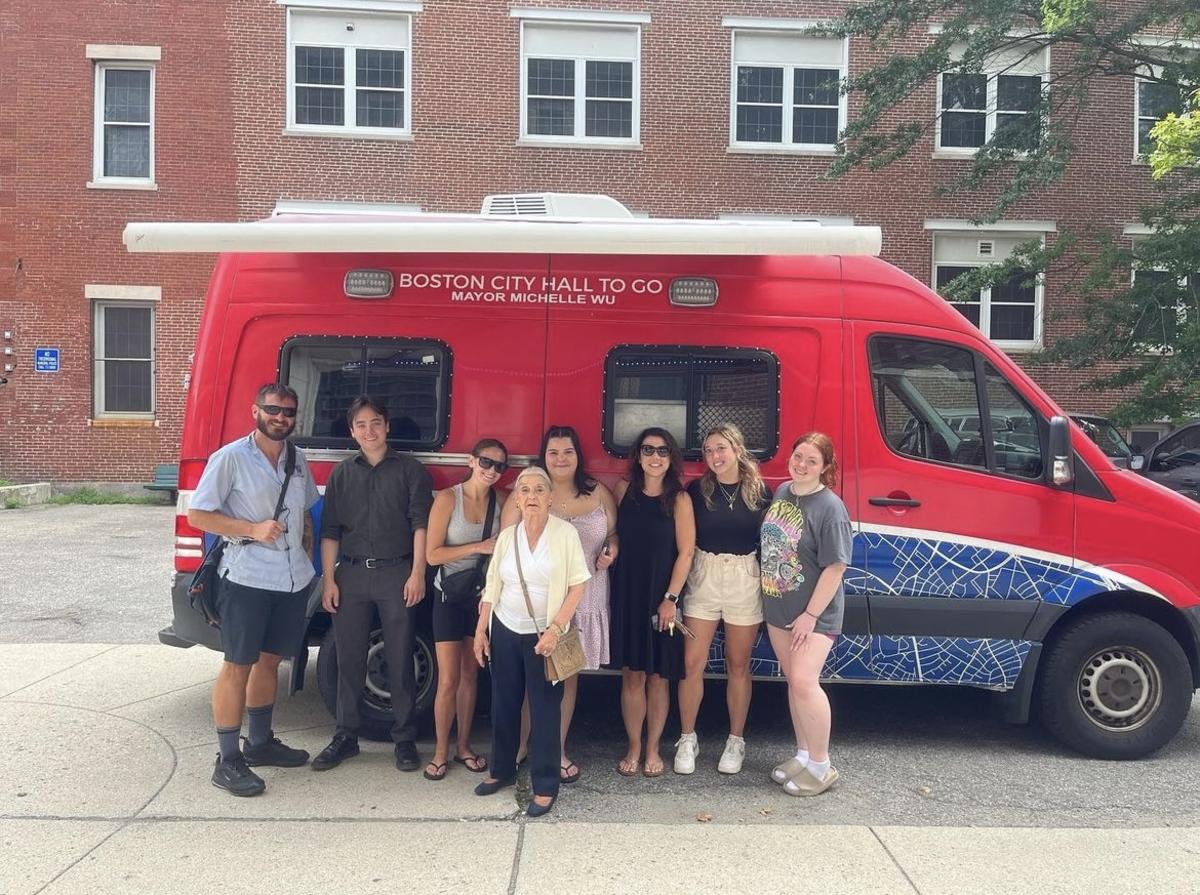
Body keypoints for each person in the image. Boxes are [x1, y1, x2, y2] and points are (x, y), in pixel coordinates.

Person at [188, 382, 320, 797]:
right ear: (256, 410)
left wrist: (308, 560)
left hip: (292, 579)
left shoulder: (298, 461)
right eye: (274, 409)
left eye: (289, 412)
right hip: (246, 578)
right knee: (237, 665)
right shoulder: (230, 458)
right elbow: (198, 515)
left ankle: (260, 743)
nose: (281, 417)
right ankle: (227, 761)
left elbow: (306, 514)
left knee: (269, 662)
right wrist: (251, 529)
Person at [311, 396, 433, 773]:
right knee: (349, 659)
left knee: (399, 657)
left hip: (397, 573)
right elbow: (330, 532)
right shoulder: (341, 474)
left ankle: (404, 738)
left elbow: (420, 525)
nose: (370, 431)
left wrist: (417, 573)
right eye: (361, 425)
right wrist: (329, 579)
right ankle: (345, 736)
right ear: (352, 432)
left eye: (376, 423)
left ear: (387, 426)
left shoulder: (410, 470)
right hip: (350, 574)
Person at [501, 425, 617, 784]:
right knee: (528, 678)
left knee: (564, 676)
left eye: (567, 451)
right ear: (543, 456)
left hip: (585, 597)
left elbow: (613, 533)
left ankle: (556, 749)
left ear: (578, 455)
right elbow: (506, 544)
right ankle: (520, 746)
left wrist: (612, 550)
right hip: (538, 601)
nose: (561, 459)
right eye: (553, 452)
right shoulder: (526, 494)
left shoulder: (598, 492)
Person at [473, 465, 591, 818]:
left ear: (550, 497)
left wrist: (556, 629)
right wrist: (482, 629)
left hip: (545, 635)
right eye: (525, 491)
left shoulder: (565, 534)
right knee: (503, 703)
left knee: (544, 709)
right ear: (518, 499)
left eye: (540, 490)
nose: (532, 497)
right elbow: (493, 585)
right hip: (506, 627)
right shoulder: (508, 536)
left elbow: (578, 585)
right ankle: (501, 769)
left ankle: (544, 784)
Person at [675, 423, 772, 776]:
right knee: (692, 663)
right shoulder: (696, 491)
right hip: (705, 575)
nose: (715, 457)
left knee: (738, 664)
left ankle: (736, 740)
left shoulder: (760, 493)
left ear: (737, 449)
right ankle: (687, 738)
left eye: (721, 449)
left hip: (745, 577)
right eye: (709, 451)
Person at [760, 432, 853, 796]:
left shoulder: (830, 508)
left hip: (812, 615)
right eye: (798, 456)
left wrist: (811, 615)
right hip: (778, 606)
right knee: (793, 683)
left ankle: (821, 764)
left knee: (804, 682)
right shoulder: (783, 492)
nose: (801, 465)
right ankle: (802, 754)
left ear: (826, 467)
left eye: (812, 461)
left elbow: (836, 567)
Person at [609, 428, 695, 777]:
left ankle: (654, 748)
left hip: (663, 597)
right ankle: (633, 745)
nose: (655, 457)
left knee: (659, 678)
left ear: (671, 457)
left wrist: (670, 600)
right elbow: (612, 532)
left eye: (662, 451)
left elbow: (686, 552)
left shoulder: (680, 500)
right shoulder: (622, 490)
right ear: (638, 456)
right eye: (648, 450)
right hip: (628, 593)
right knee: (632, 676)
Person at [422, 438, 508, 781]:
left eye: (499, 466)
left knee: (471, 676)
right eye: (486, 462)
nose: (491, 471)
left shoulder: (502, 502)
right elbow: (432, 555)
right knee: (448, 678)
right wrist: (479, 547)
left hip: (481, 597)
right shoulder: (447, 499)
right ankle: (440, 751)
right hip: (448, 596)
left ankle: (464, 747)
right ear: (471, 461)